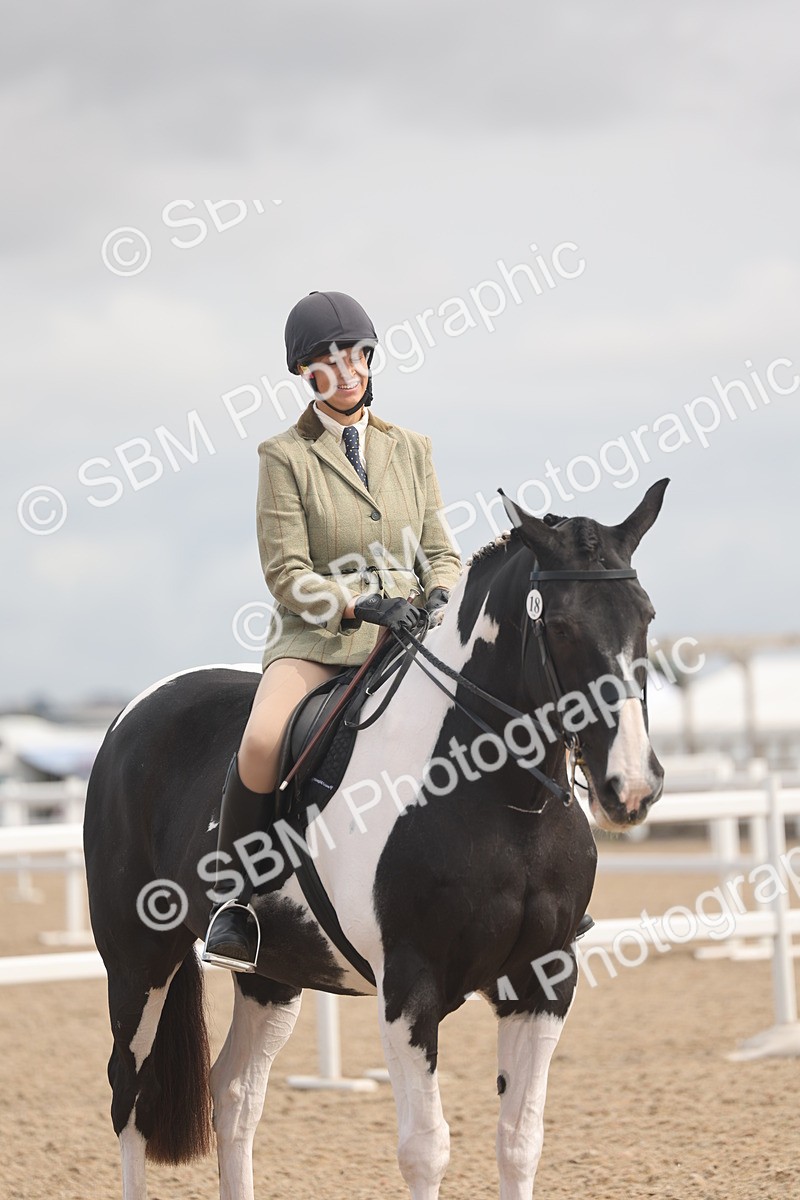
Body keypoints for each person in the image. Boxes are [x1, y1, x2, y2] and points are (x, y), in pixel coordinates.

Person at [203, 290, 463, 970]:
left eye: (357, 356)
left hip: (409, 636)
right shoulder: (283, 456)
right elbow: (286, 572)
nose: (346, 372)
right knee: (262, 741)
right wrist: (358, 605)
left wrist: (440, 591)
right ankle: (235, 903)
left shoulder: (412, 448)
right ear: (304, 372)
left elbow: (440, 548)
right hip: (318, 641)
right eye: (328, 362)